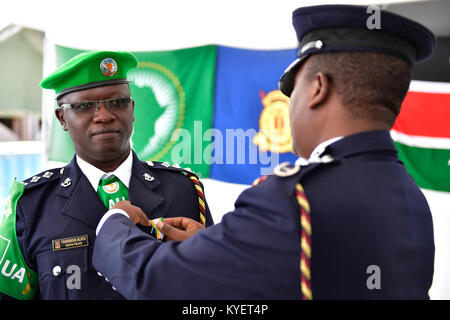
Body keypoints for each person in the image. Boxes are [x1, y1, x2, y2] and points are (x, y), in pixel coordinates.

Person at [92, 5, 436, 299]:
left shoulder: (293, 198)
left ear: (318, 88)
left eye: (292, 90)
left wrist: (115, 223)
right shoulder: (410, 196)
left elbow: (157, 283)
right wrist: (216, 247)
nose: (288, 106)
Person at [0, 51, 213, 300]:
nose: (104, 116)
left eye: (117, 102)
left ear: (132, 110)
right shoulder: (30, 205)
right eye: (84, 106)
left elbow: (217, 286)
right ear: (62, 118)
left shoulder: (183, 189)